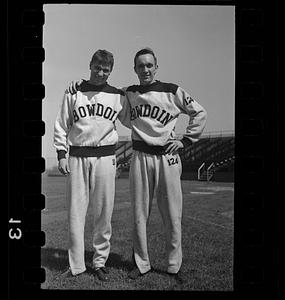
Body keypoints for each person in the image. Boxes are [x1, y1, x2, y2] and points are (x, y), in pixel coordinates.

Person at [67, 47, 207, 283]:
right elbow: (102, 92)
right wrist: (78, 85)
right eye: (140, 66)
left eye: (149, 65)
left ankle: (174, 265)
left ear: (156, 67)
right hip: (140, 155)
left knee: (172, 214)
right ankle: (141, 264)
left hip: (167, 157)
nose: (145, 70)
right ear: (134, 69)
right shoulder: (128, 92)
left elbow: (199, 112)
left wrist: (185, 140)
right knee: (139, 215)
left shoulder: (172, 90)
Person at [53, 49, 130, 282]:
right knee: (76, 213)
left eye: (106, 70)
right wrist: (61, 154)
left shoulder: (117, 95)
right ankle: (76, 265)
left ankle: (99, 262)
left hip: (106, 158)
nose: (101, 73)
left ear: (111, 71)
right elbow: (61, 125)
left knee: (103, 213)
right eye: (97, 67)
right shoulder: (74, 91)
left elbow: (132, 119)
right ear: (90, 65)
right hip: (77, 156)